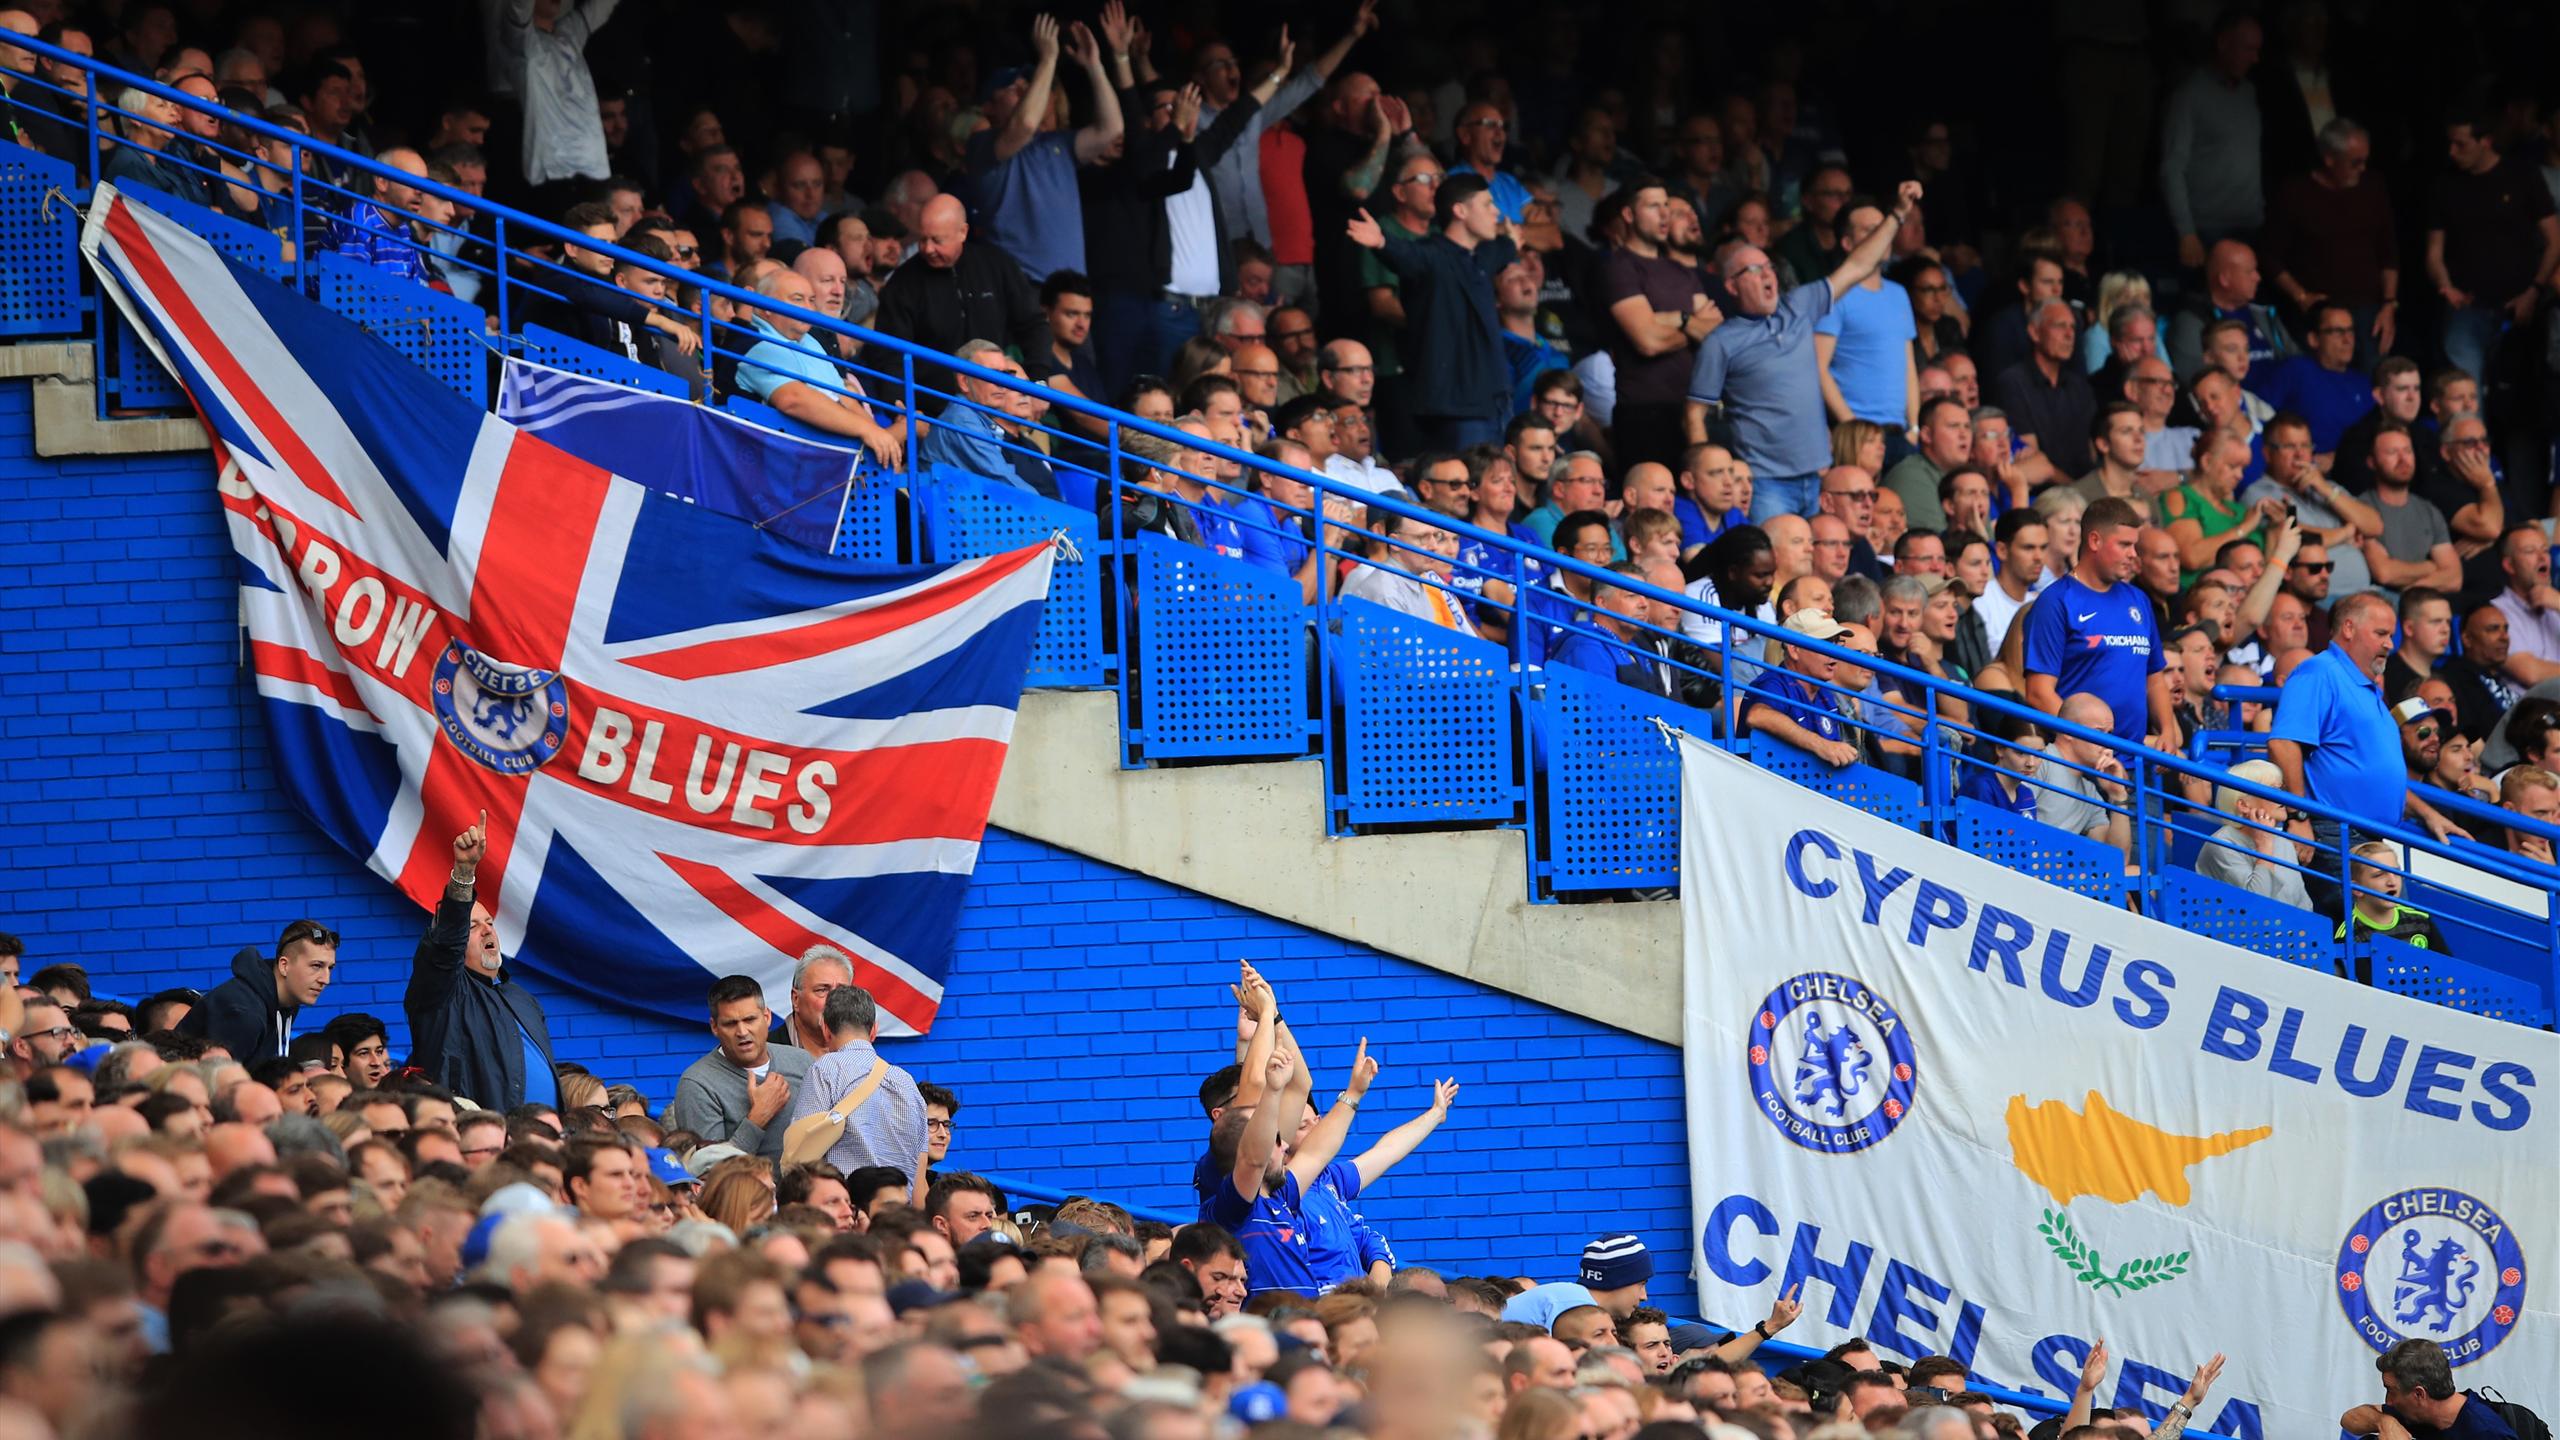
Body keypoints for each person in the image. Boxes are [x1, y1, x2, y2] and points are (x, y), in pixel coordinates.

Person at [1686, 180, 1925, 525]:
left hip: (1818, 476)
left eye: (1768, 266)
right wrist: (1708, 476)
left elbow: (1857, 266)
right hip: (1767, 482)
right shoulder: (1721, 341)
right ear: (1731, 285)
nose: (1767, 274)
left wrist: (1898, 215)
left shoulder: (1798, 306)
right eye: (1753, 270)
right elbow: (1695, 414)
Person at [2274, 593, 2471, 911]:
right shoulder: (2319, 672)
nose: (2389, 644)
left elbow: (2374, 771)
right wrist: (2298, 815)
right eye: (2381, 634)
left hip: (2369, 838)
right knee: (2383, 940)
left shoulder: (2366, 688)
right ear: (2349, 628)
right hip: (2334, 832)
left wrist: (2427, 813)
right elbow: (2283, 743)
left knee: (2394, 939)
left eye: (2390, 635)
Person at [1344, 172, 1513, 448]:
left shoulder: (1484, 255)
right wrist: (1381, 242)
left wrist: (1513, 240)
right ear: (1460, 210)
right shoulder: (1431, 255)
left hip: (1496, 402)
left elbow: (1505, 248)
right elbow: (1407, 256)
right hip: (1456, 407)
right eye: (1487, 204)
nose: (1495, 211)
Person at [401, 815, 557, 1109]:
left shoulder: (521, 998)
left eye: (489, 922)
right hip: (482, 1134)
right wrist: (463, 874)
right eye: (472, 927)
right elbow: (443, 948)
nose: (487, 929)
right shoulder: (442, 994)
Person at [872, 194, 1053, 404]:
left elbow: (1033, 324)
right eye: (923, 239)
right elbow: (890, 355)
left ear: (963, 232)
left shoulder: (996, 265)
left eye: (937, 240)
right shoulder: (903, 283)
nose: (928, 249)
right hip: (933, 410)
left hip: (999, 404)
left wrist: (1039, 381)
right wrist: (901, 411)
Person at [2426, 111, 2560, 396]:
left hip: (2519, 308)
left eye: (2461, 144)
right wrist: (2445, 285)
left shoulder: (2522, 175)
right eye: (2449, 143)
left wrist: (2534, 291)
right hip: (2466, 308)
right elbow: (2434, 250)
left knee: (2519, 395)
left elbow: (2554, 240)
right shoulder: (2446, 185)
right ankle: (2470, 438)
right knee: (2464, 391)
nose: (2452, 152)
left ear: (2485, 141)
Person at [2022, 497, 2168, 749]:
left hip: (2137, 760)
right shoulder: (2056, 601)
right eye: (2124, 544)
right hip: (2081, 765)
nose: (2133, 554)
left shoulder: (2138, 599)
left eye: (2134, 545)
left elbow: (2154, 676)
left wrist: (2168, 730)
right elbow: (2038, 693)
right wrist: (2088, 744)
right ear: (2094, 541)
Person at [733, 269, 908, 468]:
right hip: (781, 464)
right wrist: (868, 431)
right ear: (766, 307)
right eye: (798, 299)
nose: (809, 308)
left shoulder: (810, 341)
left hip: (823, 460)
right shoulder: (758, 345)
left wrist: (879, 435)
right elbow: (793, 400)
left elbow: (843, 397)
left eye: (812, 300)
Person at [784, 985, 927, 1178]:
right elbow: (919, 1174)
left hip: (846, 1204)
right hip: (900, 1205)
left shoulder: (825, 1069)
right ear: (874, 1029)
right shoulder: (906, 1082)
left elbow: (802, 1155)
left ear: (826, 1029)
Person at [668, 976, 813, 1164]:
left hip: (809, 1190)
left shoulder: (801, 1061)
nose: (742, 1032)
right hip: (748, 1193)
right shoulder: (698, 1084)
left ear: (767, 1017)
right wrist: (758, 1118)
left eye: (750, 1019)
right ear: (714, 1027)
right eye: (730, 1023)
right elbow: (709, 1171)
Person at [2158, 11, 2263, 271]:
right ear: (2223, 43)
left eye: (2257, 50)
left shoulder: (2249, 93)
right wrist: (2187, 232)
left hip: (2252, 226)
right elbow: (2172, 168)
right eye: (2247, 49)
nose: (2255, 58)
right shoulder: (2190, 95)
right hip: (2208, 230)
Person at [1813, 197, 1918, 441]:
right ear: (1847, 243)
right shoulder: (1835, 294)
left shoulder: (1898, 293)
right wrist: (1851, 425)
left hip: (1898, 432)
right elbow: (1817, 366)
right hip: (1857, 433)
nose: (1883, 235)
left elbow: (1908, 365)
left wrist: (1913, 426)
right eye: (1870, 230)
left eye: (1885, 227)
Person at [175, 919, 333, 1064]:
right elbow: (221, 1087)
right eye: (316, 966)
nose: (325, 979)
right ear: (284, 966)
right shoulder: (244, 1012)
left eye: (330, 968)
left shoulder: (286, 1003)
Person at [2342, 1337, 2541, 1440]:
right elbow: (2350, 1419)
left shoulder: (2487, 1432)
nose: (2389, 1401)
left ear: (2419, 1393)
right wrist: (2384, 1422)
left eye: (2391, 1390)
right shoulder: (2416, 1413)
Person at [1740, 609, 1858, 767]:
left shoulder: (1825, 693)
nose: (1834, 651)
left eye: (1837, 642)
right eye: (1826, 642)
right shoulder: (1775, 682)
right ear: (1794, 650)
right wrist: (1820, 745)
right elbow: (1758, 716)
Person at [2197, 758, 2312, 908]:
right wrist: (2265, 846)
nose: (2282, 796)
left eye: (2282, 789)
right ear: (2244, 805)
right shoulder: (2222, 844)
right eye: (2272, 789)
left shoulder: (2284, 843)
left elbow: (2303, 903)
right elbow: (2255, 904)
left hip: (2288, 929)